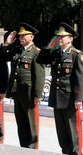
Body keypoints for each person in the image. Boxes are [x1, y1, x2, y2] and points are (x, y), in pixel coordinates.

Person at [37, 22, 83, 155]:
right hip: (57, 98)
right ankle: (65, 152)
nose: (59, 39)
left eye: (63, 37)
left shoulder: (76, 55)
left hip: (69, 99)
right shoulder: (55, 53)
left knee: (73, 131)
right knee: (62, 132)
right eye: (58, 36)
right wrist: (49, 47)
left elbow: (79, 77)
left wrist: (79, 98)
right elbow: (40, 60)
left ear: (70, 39)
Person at [0, 22, 45, 149]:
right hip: (17, 92)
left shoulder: (36, 52)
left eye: (24, 35)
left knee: (31, 124)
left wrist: (38, 94)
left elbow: (39, 75)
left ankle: (32, 149)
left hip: (29, 94)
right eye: (20, 36)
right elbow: (1, 57)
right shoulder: (17, 50)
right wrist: (6, 44)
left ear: (31, 37)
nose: (21, 38)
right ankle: (24, 148)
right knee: (21, 123)